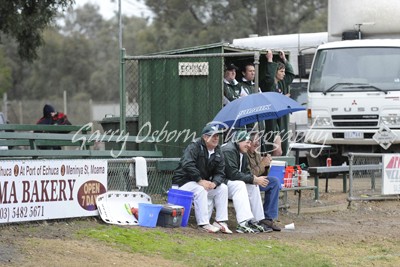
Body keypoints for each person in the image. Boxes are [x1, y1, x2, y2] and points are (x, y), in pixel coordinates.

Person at [172, 124, 232, 234]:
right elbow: (187, 164)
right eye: (212, 136)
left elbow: (220, 172)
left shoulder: (218, 151)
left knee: (222, 188)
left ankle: (220, 221)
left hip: (200, 183)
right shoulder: (194, 146)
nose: (216, 138)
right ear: (205, 137)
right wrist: (199, 180)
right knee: (200, 190)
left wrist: (214, 183)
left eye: (217, 136)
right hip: (183, 182)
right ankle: (204, 223)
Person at [221, 130, 272, 233]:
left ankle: (256, 221)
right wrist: (253, 178)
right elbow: (233, 174)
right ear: (239, 141)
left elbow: (246, 171)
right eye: (247, 142)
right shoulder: (229, 150)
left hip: (231, 183)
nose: (249, 145)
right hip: (221, 182)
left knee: (253, 185)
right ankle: (243, 223)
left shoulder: (242, 152)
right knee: (240, 184)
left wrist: (254, 179)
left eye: (249, 142)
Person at [261, 50, 295, 156]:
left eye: (284, 71)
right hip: (271, 120)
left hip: (282, 119)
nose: (284, 74)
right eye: (281, 71)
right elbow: (269, 78)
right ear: (275, 71)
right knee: (275, 149)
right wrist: (270, 60)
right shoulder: (269, 83)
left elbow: (291, 74)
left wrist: (284, 59)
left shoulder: (282, 82)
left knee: (282, 148)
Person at [247, 132, 281, 231]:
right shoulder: (244, 154)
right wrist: (262, 164)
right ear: (248, 142)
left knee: (274, 182)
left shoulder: (256, 153)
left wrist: (267, 165)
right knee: (257, 184)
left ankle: (268, 218)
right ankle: (257, 219)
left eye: (258, 141)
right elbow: (250, 174)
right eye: (254, 141)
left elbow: (261, 174)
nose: (257, 144)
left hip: (258, 180)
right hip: (249, 182)